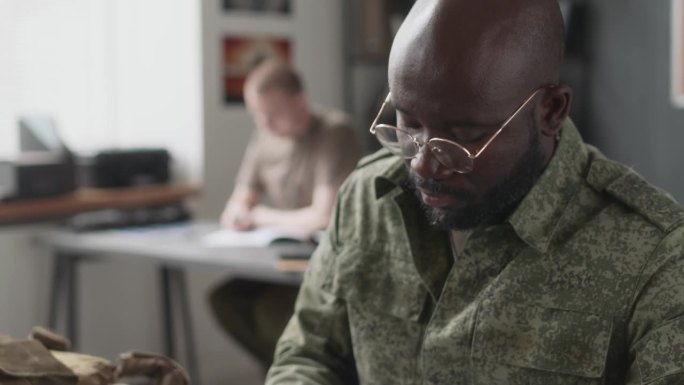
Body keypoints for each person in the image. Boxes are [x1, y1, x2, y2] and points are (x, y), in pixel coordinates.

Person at [265, 0, 684, 384]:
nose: (423, 164)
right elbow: (307, 357)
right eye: (408, 124)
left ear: (551, 111)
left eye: (464, 137)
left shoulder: (655, 254)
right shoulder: (367, 200)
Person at [209, 59, 361, 369]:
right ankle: (286, 371)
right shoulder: (265, 137)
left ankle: (302, 370)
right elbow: (239, 201)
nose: (264, 123)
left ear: (299, 101)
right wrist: (238, 213)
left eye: (272, 113)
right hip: (280, 260)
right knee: (226, 299)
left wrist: (261, 216)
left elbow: (323, 215)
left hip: (326, 259)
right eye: (258, 114)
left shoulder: (335, 132)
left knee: (269, 310)